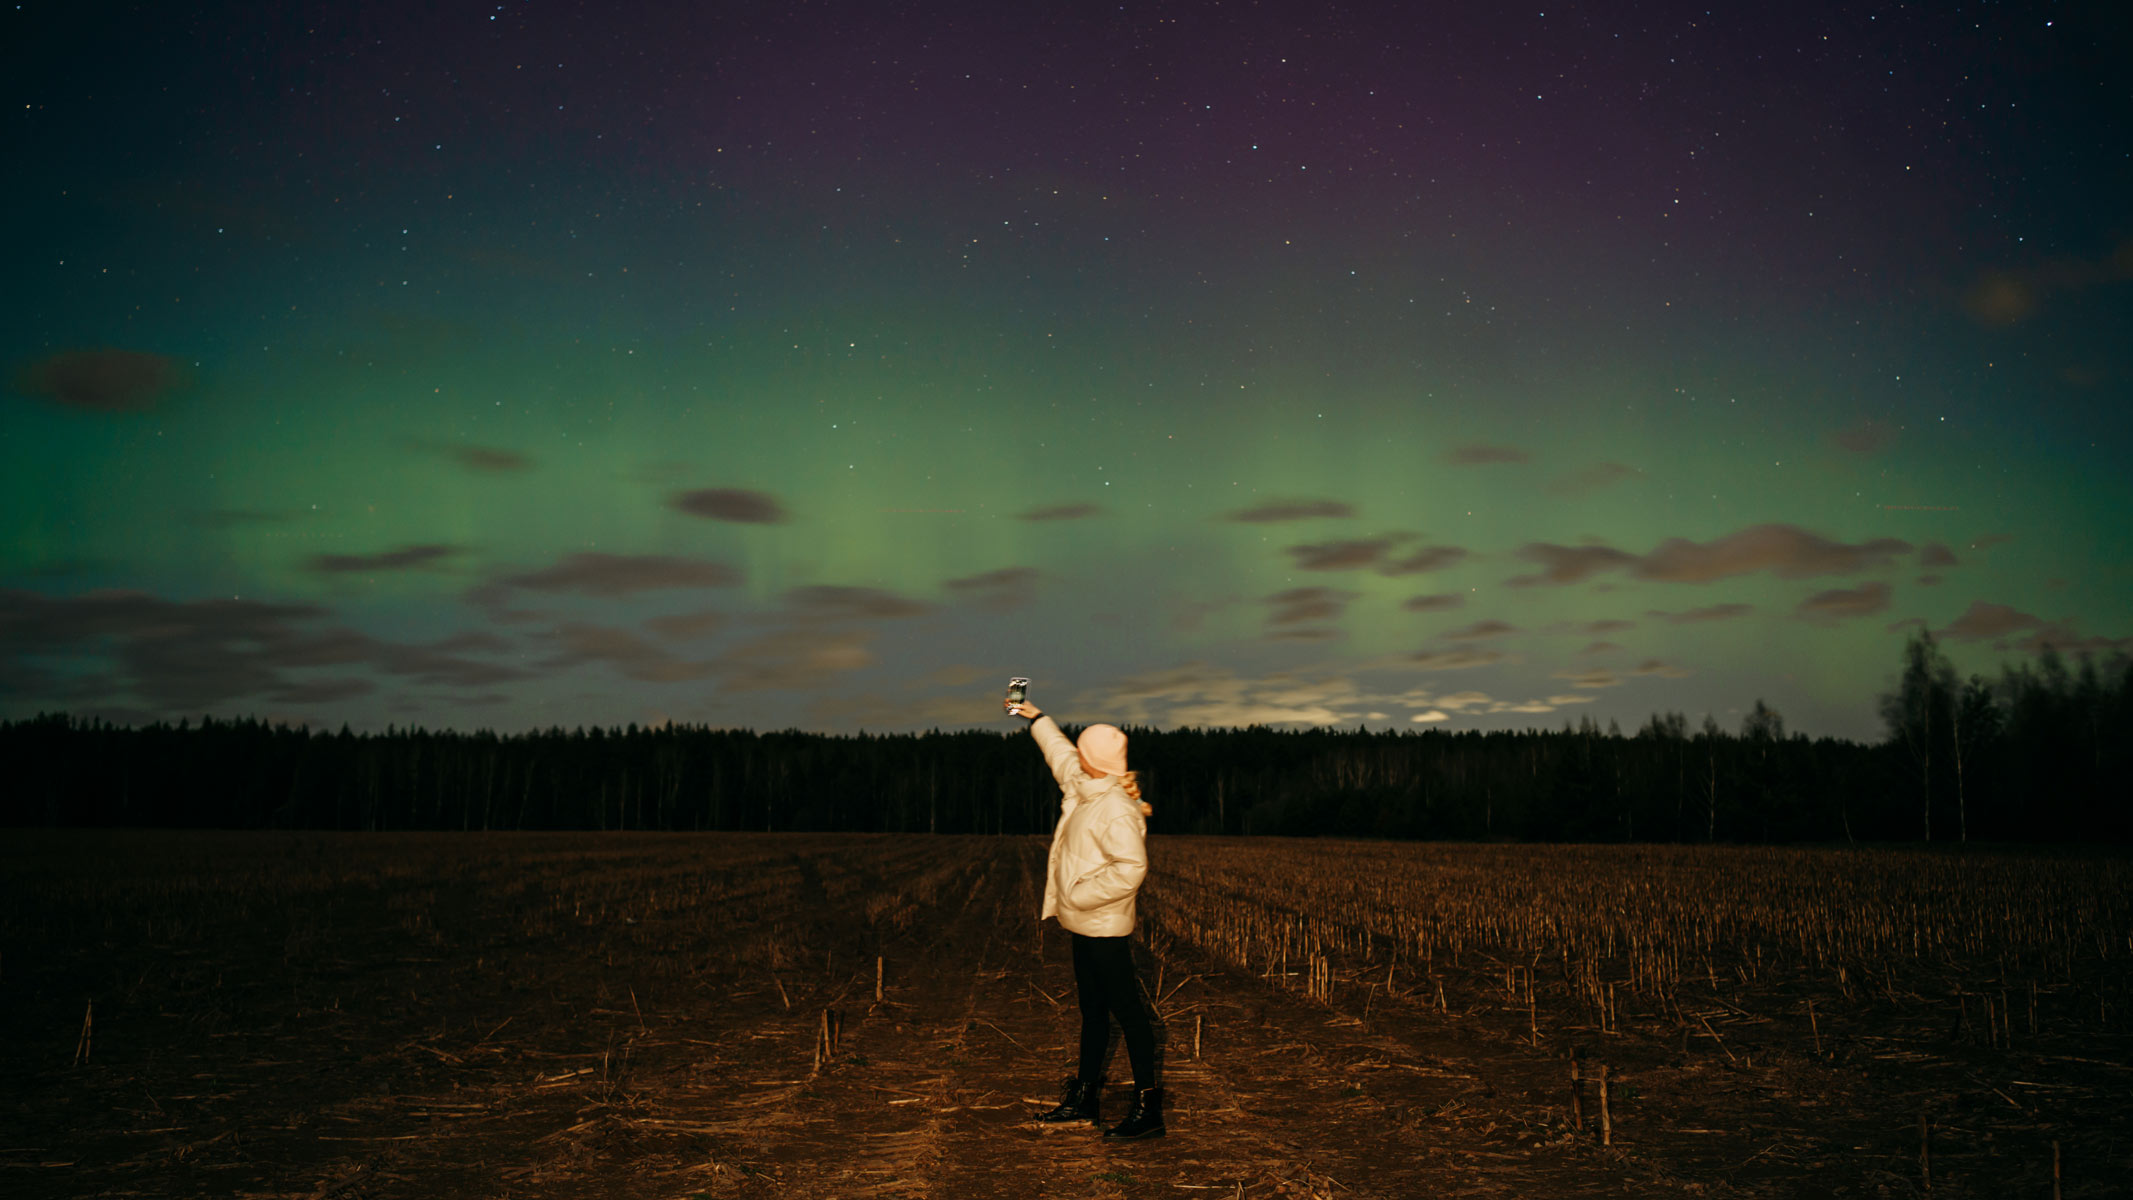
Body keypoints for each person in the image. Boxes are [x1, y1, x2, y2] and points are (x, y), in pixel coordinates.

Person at [1006, 696, 1164, 1140]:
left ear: (1094, 761)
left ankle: (1149, 1109)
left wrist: (1078, 895)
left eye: (1082, 751)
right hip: (1083, 925)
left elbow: (1131, 868)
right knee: (1093, 1013)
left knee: (1129, 1015)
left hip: (1104, 928)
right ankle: (1085, 1099)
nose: (1074, 756)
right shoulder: (1083, 784)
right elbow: (1057, 752)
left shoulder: (1114, 808)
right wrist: (1034, 717)